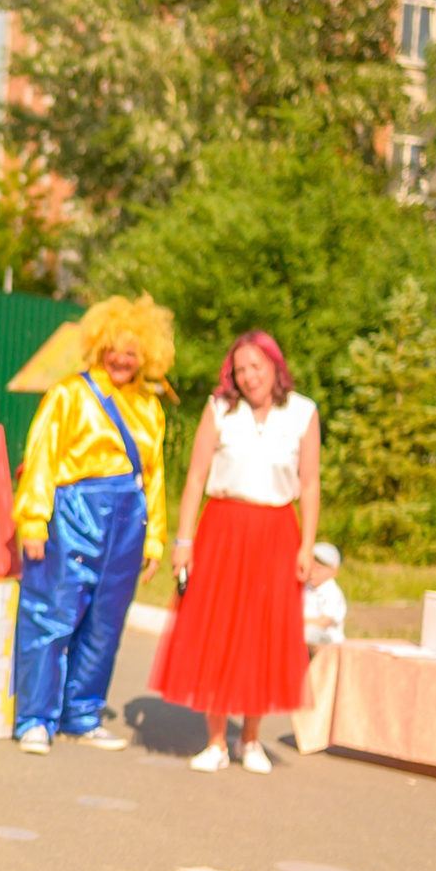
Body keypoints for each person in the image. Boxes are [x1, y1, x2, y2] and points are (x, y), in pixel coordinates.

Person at [150, 330, 321, 773]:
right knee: (219, 629)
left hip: (277, 533)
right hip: (223, 529)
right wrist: (183, 542)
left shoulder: (303, 413)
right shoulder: (219, 410)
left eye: (256, 367)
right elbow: (195, 478)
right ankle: (215, 742)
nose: (249, 377)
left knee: (263, 632)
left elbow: (309, 484)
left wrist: (306, 545)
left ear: (274, 366)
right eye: (240, 369)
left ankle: (250, 739)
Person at [10, 295, 173, 755]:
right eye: (114, 349)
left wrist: (154, 538)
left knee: (106, 620)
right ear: (99, 347)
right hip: (73, 513)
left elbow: (155, 475)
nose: (121, 359)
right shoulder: (69, 394)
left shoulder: (150, 406)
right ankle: (36, 718)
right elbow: (41, 457)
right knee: (53, 613)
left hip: (128, 522)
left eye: (131, 351)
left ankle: (81, 714)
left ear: (148, 355)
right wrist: (34, 521)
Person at [303, 542, 347, 646]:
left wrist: (297, 622)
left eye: (319, 568)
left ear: (333, 572)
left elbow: (323, 622)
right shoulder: (306, 587)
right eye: (311, 566)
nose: (313, 571)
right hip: (305, 631)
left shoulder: (332, 592)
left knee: (308, 633)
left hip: (328, 639)